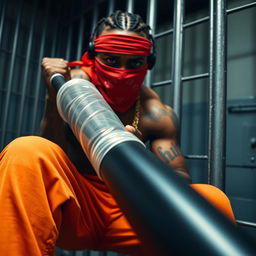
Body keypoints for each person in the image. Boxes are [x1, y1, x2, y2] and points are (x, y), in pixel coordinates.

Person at [0, 10, 235, 256]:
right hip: (77, 205)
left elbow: (180, 176)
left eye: (134, 63)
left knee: (213, 200)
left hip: (132, 209)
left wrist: (139, 161)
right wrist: (53, 97)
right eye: (111, 60)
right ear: (94, 55)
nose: (122, 72)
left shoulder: (156, 113)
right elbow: (52, 152)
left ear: (148, 63)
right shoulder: (73, 84)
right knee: (25, 150)